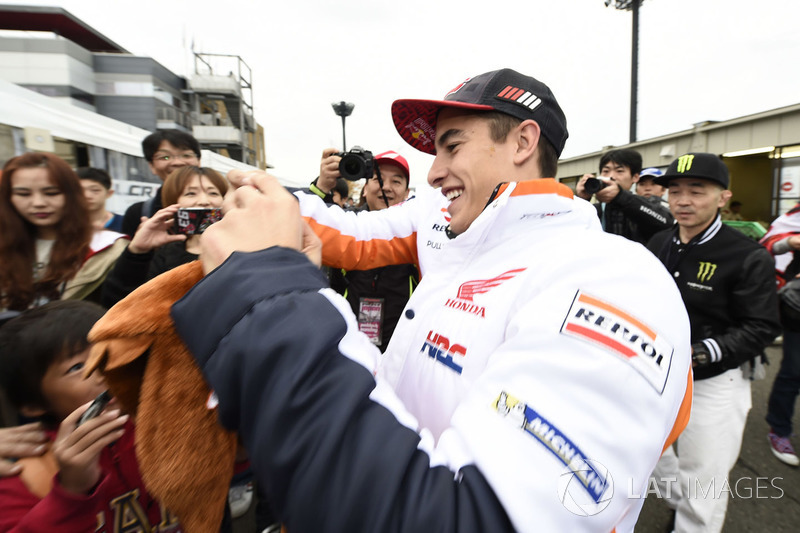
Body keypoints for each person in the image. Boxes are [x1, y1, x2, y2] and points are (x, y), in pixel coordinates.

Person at [172, 68, 693, 532]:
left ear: (522, 142)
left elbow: (464, 516)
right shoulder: (440, 221)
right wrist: (265, 200)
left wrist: (272, 303)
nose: (433, 172)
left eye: (452, 146)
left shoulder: (612, 276)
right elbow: (348, 233)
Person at [647, 152, 781, 532]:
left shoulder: (747, 255)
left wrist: (701, 353)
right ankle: (678, 502)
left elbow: (761, 325)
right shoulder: (660, 241)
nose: (683, 200)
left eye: (697, 190)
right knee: (654, 453)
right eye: (674, 191)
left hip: (715, 382)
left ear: (723, 196)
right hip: (657, 374)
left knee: (703, 478)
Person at [0, 300, 183, 532]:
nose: (104, 369)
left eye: (107, 352)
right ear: (33, 406)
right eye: (77, 367)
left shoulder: (164, 424)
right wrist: (71, 490)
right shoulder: (26, 475)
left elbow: (233, 463)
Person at [0, 153, 128, 311]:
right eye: (23, 194)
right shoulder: (5, 244)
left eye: (51, 193)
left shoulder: (108, 247)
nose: (38, 203)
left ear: (73, 195)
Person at [101, 166, 227, 308]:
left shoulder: (244, 246)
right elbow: (120, 305)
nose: (204, 201)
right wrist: (137, 251)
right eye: (191, 193)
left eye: (213, 193)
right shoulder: (165, 253)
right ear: (173, 202)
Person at [338, 150, 419, 352]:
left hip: (400, 352)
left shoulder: (421, 234)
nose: (387, 188)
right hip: (347, 347)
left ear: (408, 193)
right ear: (365, 189)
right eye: (378, 179)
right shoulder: (344, 227)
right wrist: (322, 186)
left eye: (397, 181)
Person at [760, 204, 800, 466]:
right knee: (794, 369)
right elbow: (766, 245)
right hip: (797, 307)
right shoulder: (793, 217)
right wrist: (790, 242)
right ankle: (779, 429)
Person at [576, 149, 673, 245]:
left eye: (619, 171)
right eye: (606, 171)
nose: (611, 176)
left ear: (635, 177)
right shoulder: (593, 210)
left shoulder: (645, 205)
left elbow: (667, 222)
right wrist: (582, 200)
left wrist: (620, 197)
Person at [120, 130, 201, 237]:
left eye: (186, 155)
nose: (177, 162)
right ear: (152, 166)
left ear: (198, 161)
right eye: (165, 157)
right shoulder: (138, 213)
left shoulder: (222, 205)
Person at [76, 167, 124, 232]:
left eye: (95, 190)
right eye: (80, 190)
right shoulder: (65, 225)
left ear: (109, 193)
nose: (87, 196)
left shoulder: (125, 224)